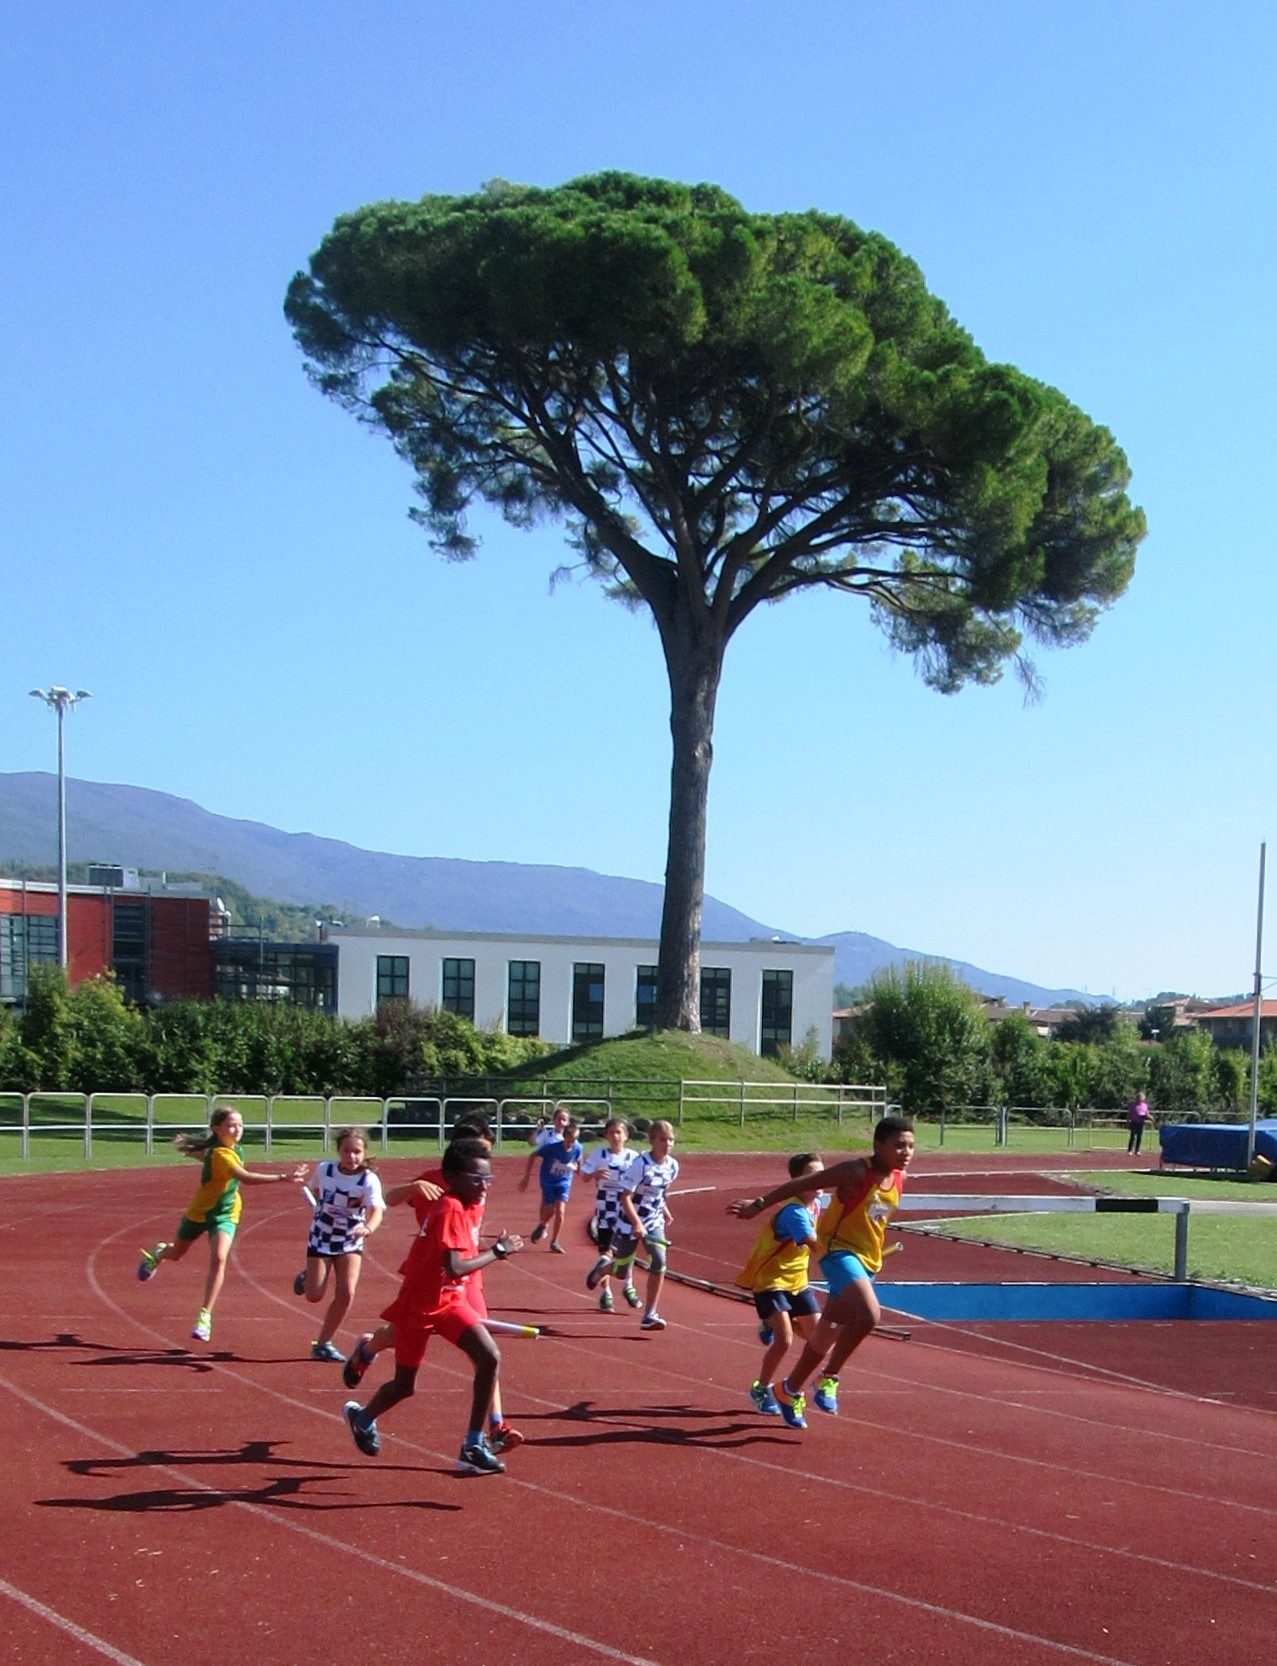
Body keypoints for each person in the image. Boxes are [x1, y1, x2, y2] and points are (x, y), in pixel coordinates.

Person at [342, 1137, 524, 1474]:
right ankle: (362, 1418)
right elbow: (453, 1266)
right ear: (452, 1178)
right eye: (477, 1179)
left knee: (489, 1357)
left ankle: (473, 1444)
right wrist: (498, 1252)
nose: (484, 1186)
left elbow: (459, 1261)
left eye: (488, 1179)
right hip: (420, 1307)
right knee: (404, 1386)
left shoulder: (471, 1204)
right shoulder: (449, 1208)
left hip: (450, 1301)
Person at [728, 1114, 915, 1426]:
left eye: (910, 1146)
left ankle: (789, 1390)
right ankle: (829, 1377)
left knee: (825, 1332)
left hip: (867, 1260)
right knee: (870, 1314)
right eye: (898, 1146)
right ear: (877, 1145)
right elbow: (802, 1183)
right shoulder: (856, 1171)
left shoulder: (899, 1179)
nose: (906, 1152)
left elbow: (876, 1218)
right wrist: (759, 1204)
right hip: (837, 1252)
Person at [137, 1105, 306, 1343]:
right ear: (217, 1129)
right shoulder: (221, 1155)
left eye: (240, 1125)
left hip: (226, 1213)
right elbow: (245, 1178)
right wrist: (282, 1177)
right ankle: (161, 1253)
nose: (237, 1130)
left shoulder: (231, 1150)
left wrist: (191, 1149)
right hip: (199, 1213)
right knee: (176, 1253)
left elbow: (204, 1156)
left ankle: (205, 1316)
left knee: (219, 1258)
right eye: (231, 1125)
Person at [734, 1153, 825, 1425]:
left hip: (798, 1281)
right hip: (770, 1281)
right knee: (784, 1340)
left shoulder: (816, 1204)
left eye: (822, 1173)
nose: (819, 1179)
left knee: (818, 1339)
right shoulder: (794, 1212)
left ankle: (771, 1325)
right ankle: (761, 1389)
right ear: (796, 1182)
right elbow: (815, 1244)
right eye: (812, 1175)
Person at [293, 1127, 385, 1362]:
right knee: (314, 1295)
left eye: (357, 1152)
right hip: (321, 1237)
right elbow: (315, 1189)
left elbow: (377, 1210)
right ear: (338, 1151)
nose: (351, 1157)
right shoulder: (325, 1170)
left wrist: (368, 1228)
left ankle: (323, 1343)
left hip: (350, 1240)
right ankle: (308, 1276)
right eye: (346, 1151)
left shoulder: (369, 1180)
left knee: (346, 1292)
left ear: (364, 1153)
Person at [586, 1119, 679, 1331]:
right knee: (621, 1271)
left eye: (671, 1140)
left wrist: (664, 1210)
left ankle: (650, 1314)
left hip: (653, 1221)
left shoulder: (673, 1166)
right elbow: (625, 1196)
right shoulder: (641, 1165)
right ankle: (604, 1269)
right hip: (629, 1221)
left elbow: (660, 1192)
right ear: (652, 1140)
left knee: (659, 1261)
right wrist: (636, 1223)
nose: (667, 1144)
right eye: (663, 1140)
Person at [580, 1117, 643, 1311]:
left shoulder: (634, 1157)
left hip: (626, 1211)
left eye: (619, 1133)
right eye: (612, 1133)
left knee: (626, 1252)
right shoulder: (600, 1154)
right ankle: (606, 1293)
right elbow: (583, 1176)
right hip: (605, 1211)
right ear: (606, 1135)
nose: (616, 1136)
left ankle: (628, 1286)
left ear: (626, 1135)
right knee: (606, 1253)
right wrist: (594, 1175)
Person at [519, 1114, 583, 1252]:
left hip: (564, 1182)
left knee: (560, 1210)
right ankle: (542, 1224)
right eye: (567, 1141)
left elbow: (579, 1159)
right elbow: (532, 1155)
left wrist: (578, 1169)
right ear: (563, 1138)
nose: (569, 1145)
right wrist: (526, 1178)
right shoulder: (551, 1147)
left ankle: (554, 1241)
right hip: (548, 1180)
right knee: (550, 1208)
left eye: (572, 1142)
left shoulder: (578, 1147)